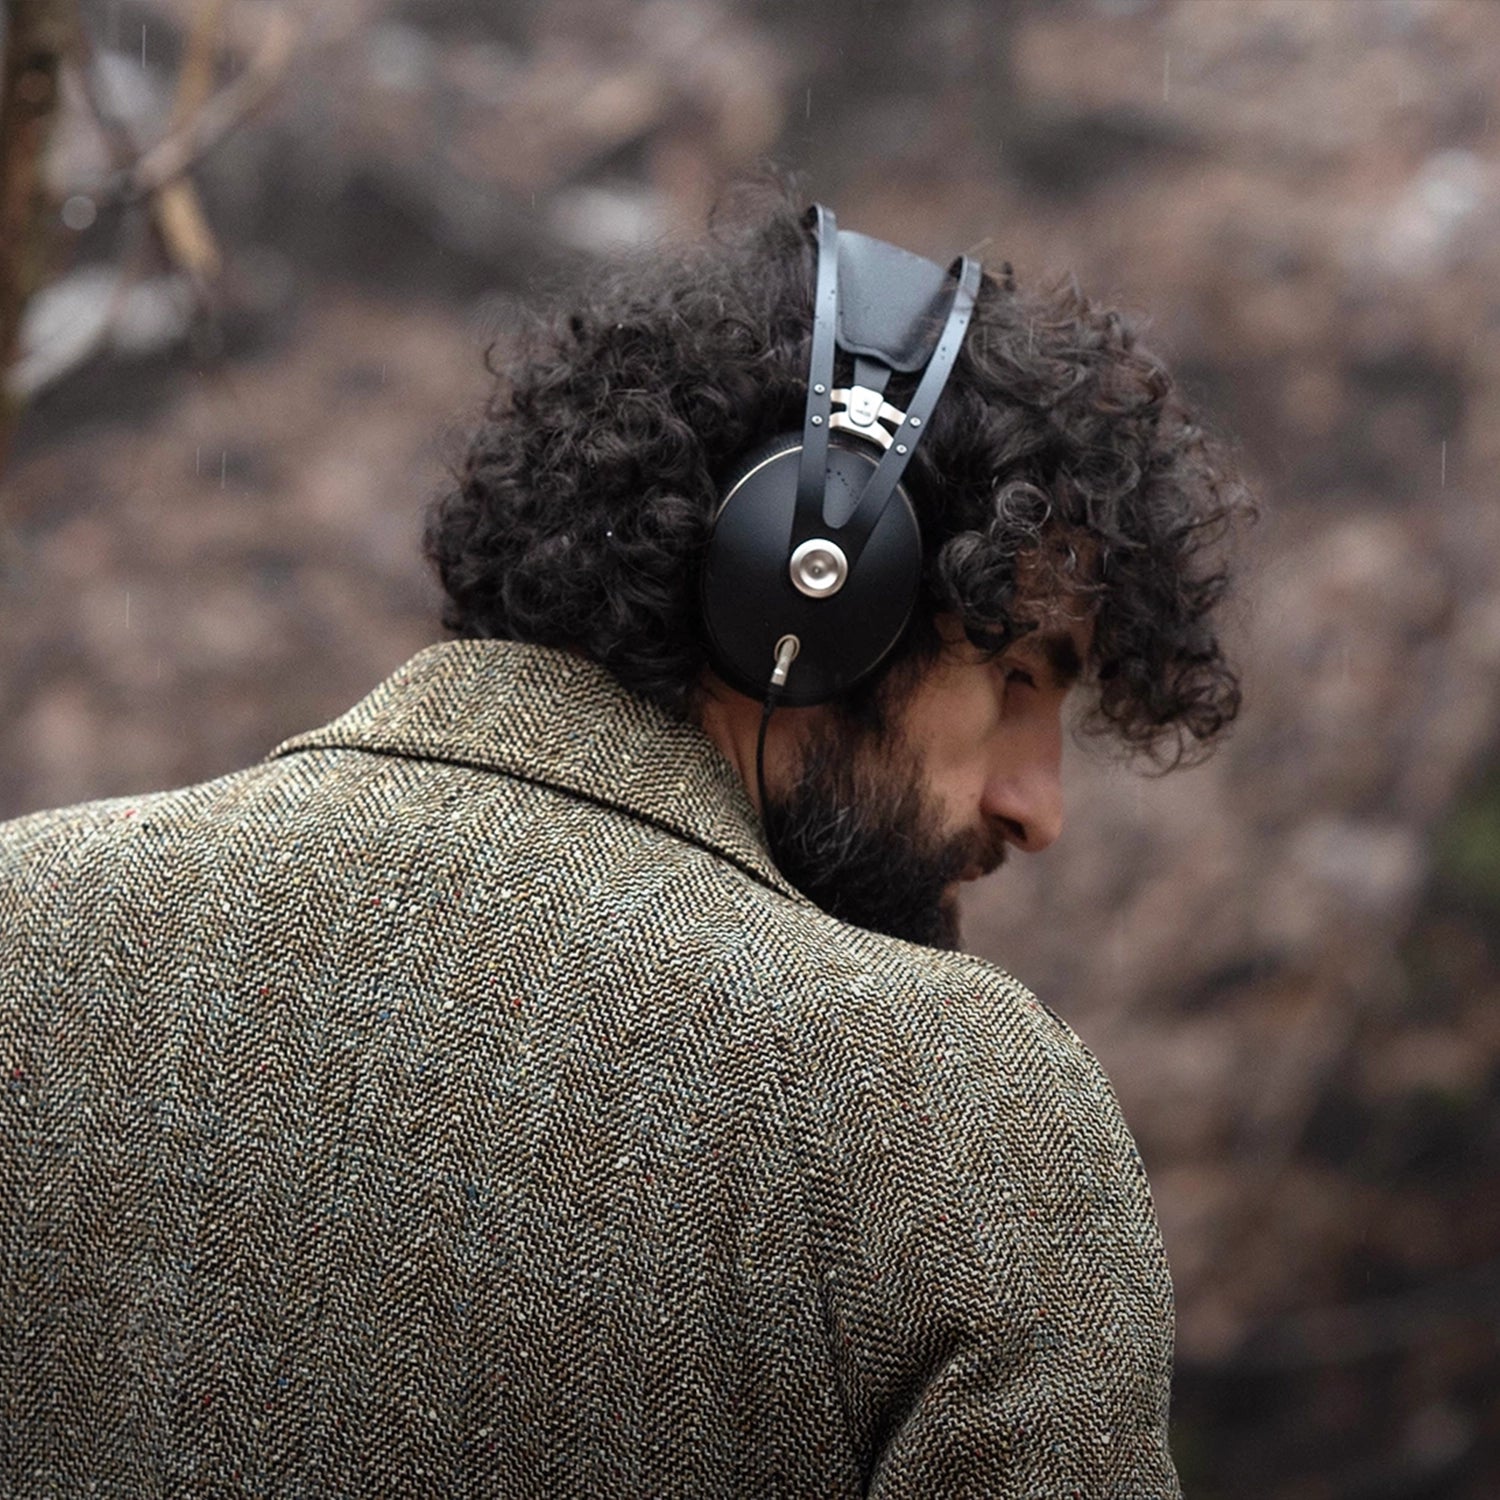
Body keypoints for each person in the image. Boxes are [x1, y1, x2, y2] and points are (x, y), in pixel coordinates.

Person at [0, 189, 1249, 1496]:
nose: (1037, 809)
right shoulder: (943, 1107)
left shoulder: (28, 919)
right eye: (1020, 678)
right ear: (811, 589)